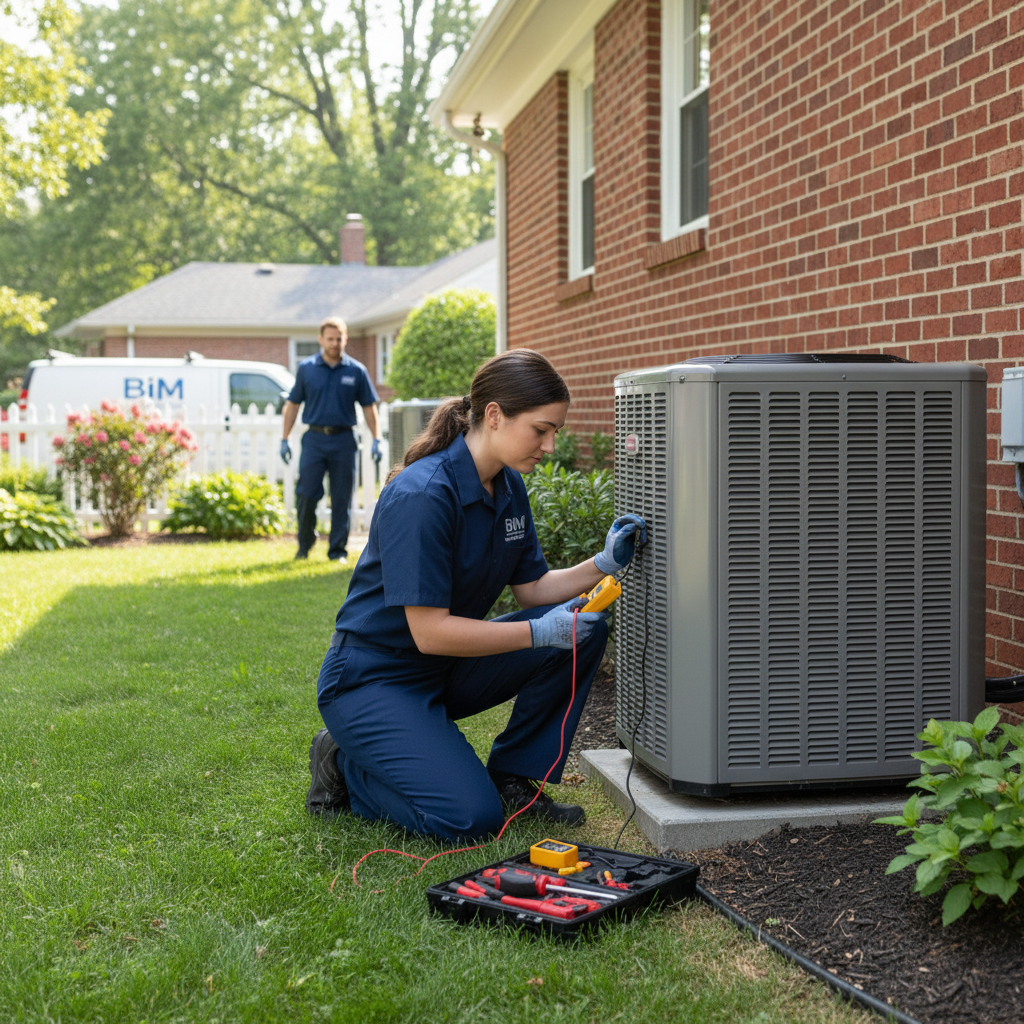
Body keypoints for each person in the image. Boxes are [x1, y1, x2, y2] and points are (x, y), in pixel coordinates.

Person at [304, 348, 646, 841]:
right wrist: (537, 634)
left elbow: (533, 589)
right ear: (495, 415)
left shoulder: (507, 486)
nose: (549, 446)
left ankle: (512, 779)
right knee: (470, 819)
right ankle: (343, 764)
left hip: (443, 668)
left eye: (555, 432)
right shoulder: (423, 495)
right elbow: (430, 632)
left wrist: (602, 564)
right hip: (373, 679)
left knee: (582, 631)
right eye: (541, 430)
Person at [280, 316, 382, 562]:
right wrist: (285, 438)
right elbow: (293, 405)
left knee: (341, 496)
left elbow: (369, 407)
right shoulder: (307, 368)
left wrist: (377, 438)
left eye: (339, 339)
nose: (335, 343)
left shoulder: (356, 370)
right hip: (314, 439)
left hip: (344, 440)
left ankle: (337, 551)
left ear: (345, 340)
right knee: (306, 493)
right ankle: (304, 545)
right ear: (321, 340)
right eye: (330, 339)